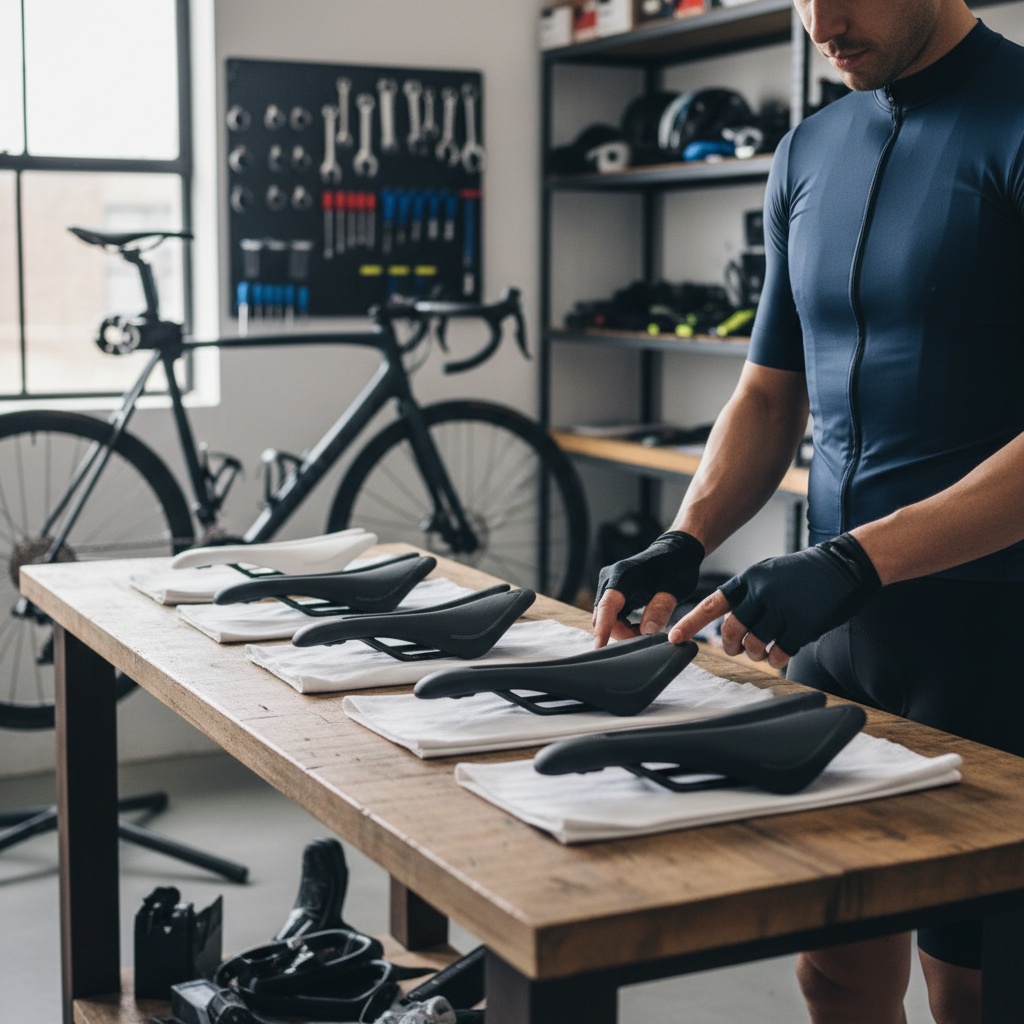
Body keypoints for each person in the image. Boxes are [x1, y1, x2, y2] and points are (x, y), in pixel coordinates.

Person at [592, 1, 1024, 1022]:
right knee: (833, 966)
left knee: (974, 986)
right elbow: (769, 391)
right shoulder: (807, 148)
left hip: (996, 636)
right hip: (842, 629)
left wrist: (852, 558)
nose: (821, 21)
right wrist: (684, 535)